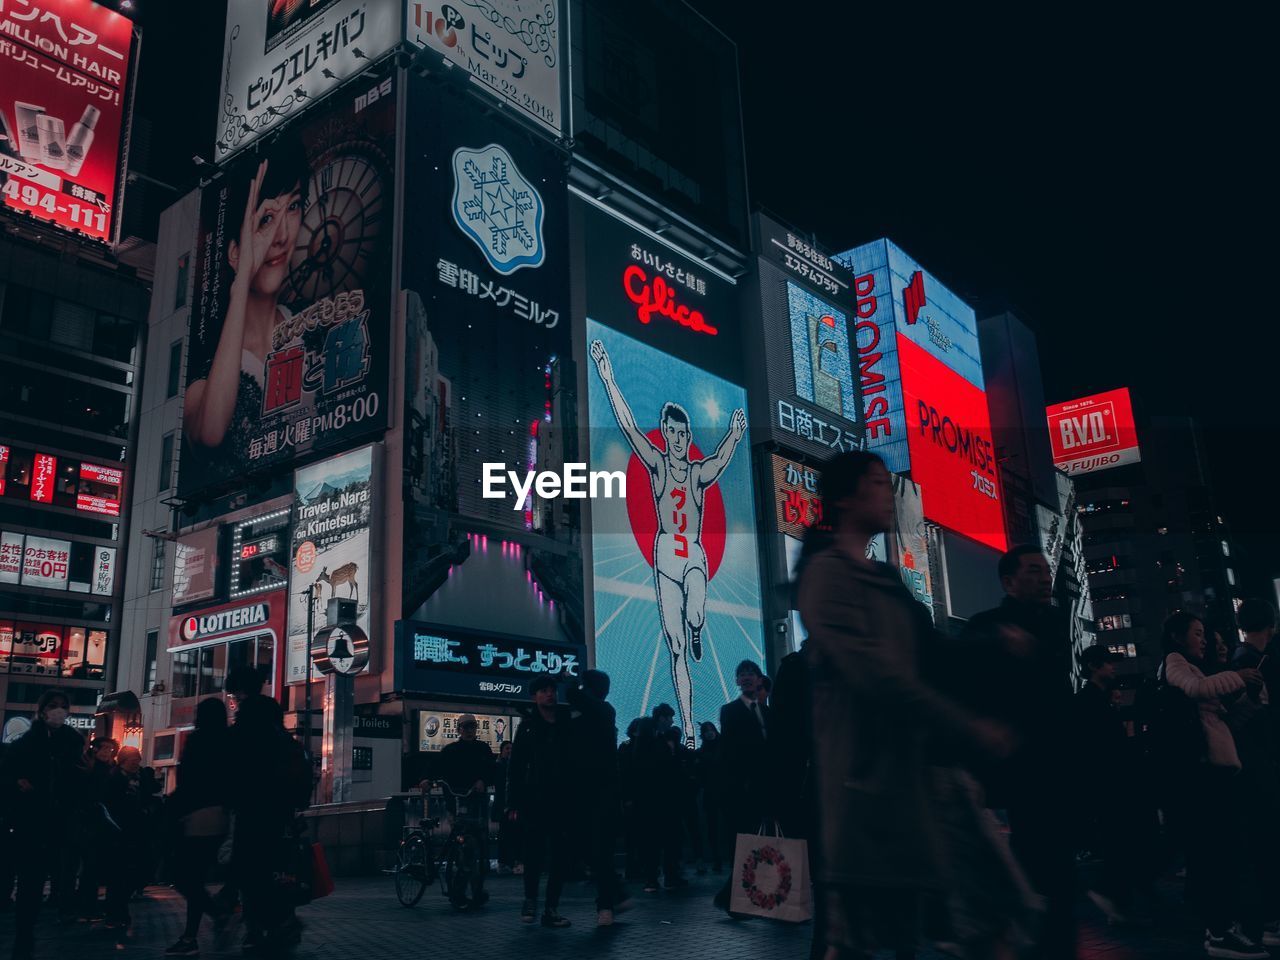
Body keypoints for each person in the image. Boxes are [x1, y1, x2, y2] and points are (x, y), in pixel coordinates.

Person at [796, 451, 1008, 960]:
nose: (888, 493)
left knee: (901, 937)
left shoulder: (886, 580)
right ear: (845, 498)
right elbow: (878, 675)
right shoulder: (826, 576)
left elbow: (931, 653)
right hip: (861, 787)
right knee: (871, 939)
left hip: (906, 786)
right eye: (875, 483)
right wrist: (967, 726)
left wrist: (994, 644)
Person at [591, 337, 748, 746]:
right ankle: (691, 727)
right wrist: (608, 378)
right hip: (665, 556)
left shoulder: (695, 472)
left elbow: (718, 461)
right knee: (675, 649)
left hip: (692, 552)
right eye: (672, 431)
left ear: (688, 434)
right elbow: (627, 427)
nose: (677, 438)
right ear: (664, 433)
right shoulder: (657, 465)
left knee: (696, 610)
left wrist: (733, 435)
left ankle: (698, 626)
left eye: (683, 433)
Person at [962, 544, 1078, 960]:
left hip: (1056, 768)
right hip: (1016, 775)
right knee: (1029, 871)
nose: (1045, 577)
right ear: (1008, 582)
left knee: (1058, 875)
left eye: (1045, 570)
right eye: (1033, 571)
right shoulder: (987, 627)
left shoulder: (1053, 623)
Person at [182, 137, 308, 457]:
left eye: (293, 206)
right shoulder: (207, 369)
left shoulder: (313, 328)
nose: (280, 237)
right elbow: (210, 433)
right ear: (234, 252)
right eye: (266, 219)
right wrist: (241, 285)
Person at [1160, 611, 1267, 959]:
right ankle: (1218, 930)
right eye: (1197, 633)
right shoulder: (1175, 663)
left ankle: (1224, 926)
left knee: (1223, 853)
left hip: (1215, 772)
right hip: (1199, 775)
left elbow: (1226, 721)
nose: (1203, 640)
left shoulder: (1199, 668)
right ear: (1178, 637)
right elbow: (1197, 689)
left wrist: (1252, 697)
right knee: (1214, 853)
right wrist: (1236, 677)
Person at [2, 689, 87, 960]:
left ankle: (42, 922)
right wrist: (18, 783)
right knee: (32, 880)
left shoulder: (73, 743)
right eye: (53, 706)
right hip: (32, 820)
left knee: (58, 874)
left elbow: (79, 782)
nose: (58, 711)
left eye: (63, 707)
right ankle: (25, 934)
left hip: (60, 821)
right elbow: (9, 773)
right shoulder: (26, 743)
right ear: (42, 710)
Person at [1075, 645, 1156, 925]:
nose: (1114, 668)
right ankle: (1110, 892)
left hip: (1112, 785)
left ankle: (1119, 903)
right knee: (1121, 840)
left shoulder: (1098, 701)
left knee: (1120, 841)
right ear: (1095, 666)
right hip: (1108, 786)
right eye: (1109, 663)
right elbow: (1096, 750)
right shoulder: (1088, 702)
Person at [225, 665, 300, 953]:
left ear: (241, 692)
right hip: (281, 809)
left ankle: (256, 927)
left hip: (252, 808)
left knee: (249, 869)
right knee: (276, 868)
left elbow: (234, 767)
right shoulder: (277, 726)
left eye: (234, 693)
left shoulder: (245, 727)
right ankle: (283, 920)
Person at [165, 697, 233, 956]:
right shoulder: (229, 741)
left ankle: (208, 921)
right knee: (196, 876)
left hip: (196, 815)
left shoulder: (198, 741)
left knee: (185, 876)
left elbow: (187, 781)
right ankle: (197, 929)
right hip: (221, 815)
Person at [508, 675, 576, 928]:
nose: (550, 695)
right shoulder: (527, 726)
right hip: (533, 799)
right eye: (544, 691)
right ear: (534, 696)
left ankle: (551, 907)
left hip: (562, 798)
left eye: (552, 690)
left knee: (560, 856)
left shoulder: (566, 722)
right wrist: (512, 802)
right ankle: (530, 900)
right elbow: (515, 767)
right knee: (533, 854)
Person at [567, 670, 629, 926]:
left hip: (599, 793)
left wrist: (570, 681)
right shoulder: (595, 712)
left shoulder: (603, 710)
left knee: (599, 850)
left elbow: (574, 694)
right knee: (593, 850)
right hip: (587, 792)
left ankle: (606, 904)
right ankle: (615, 896)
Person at [713, 659, 773, 911]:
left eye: (751, 673)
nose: (747, 677)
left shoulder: (770, 714)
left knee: (763, 843)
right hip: (741, 789)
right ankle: (732, 899)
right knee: (744, 842)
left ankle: (734, 898)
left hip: (768, 789)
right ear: (737, 681)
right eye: (742, 674)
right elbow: (730, 752)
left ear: (760, 679)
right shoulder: (730, 711)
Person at [435, 714, 495, 910]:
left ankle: (473, 892)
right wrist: (427, 779)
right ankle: (462, 892)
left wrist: (483, 781)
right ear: (459, 729)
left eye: (472, 726)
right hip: (458, 804)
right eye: (466, 727)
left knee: (480, 849)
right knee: (468, 849)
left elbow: (492, 771)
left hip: (476, 804)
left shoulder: (483, 749)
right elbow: (435, 769)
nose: (469, 730)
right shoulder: (451, 751)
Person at [102, 746, 149, 943]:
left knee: (126, 874)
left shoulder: (135, 779)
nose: (136, 763)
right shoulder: (116, 779)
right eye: (133, 760)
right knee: (119, 875)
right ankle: (116, 912)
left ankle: (118, 911)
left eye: (137, 760)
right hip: (120, 833)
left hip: (131, 832)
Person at [694, 722, 725, 874]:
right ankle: (717, 859)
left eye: (711, 730)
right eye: (706, 731)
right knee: (713, 828)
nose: (709, 733)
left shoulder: (722, 747)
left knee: (725, 825)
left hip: (724, 791)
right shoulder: (702, 751)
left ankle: (728, 857)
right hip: (711, 793)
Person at [492, 741, 519, 875]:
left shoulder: (507, 765)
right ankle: (505, 862)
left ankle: (508, 862)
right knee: (505, 834)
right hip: (504, 805)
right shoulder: (499, 766)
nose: (509, 751)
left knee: (511, 834)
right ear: (502, 751)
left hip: (509, 805)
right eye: (507, 748)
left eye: (511, 749)